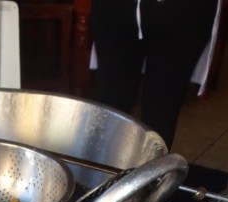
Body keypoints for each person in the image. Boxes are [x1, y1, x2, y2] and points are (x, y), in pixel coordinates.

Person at [91, 0, 218, 149]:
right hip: (117, 8)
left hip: (183, 11)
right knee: (112, 107)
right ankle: (109, 168)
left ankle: (151, 170)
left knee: (160, 111)